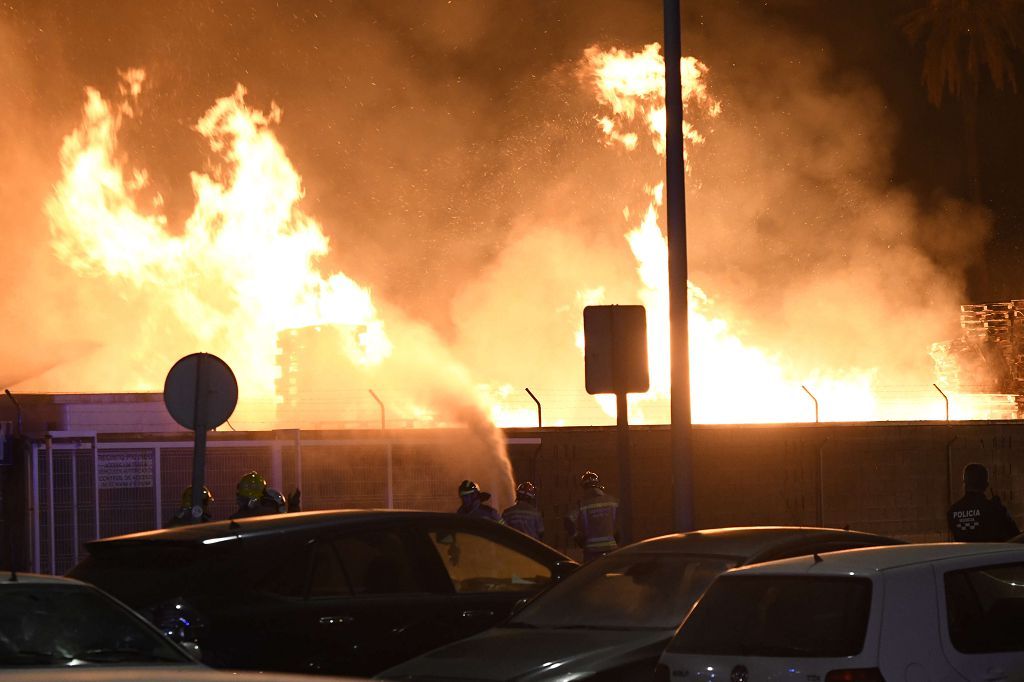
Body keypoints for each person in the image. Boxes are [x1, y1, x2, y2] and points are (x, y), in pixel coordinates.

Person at [947, 463, 1020, 541]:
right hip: (993, 552)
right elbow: (1015, 535)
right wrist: (1000, 509)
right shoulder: (995, 509)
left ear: (965, 483)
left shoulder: (952, 511)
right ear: (986, 485)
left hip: (967, 552)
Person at [566, 471, 619, 562]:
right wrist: (617, 538)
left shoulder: (582, 504)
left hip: (591, 550)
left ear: (584, 486)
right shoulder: (612, 501)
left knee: (591, 575)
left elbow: (568, 519)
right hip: (611, 548)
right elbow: (621, 521)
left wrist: (577, 537)